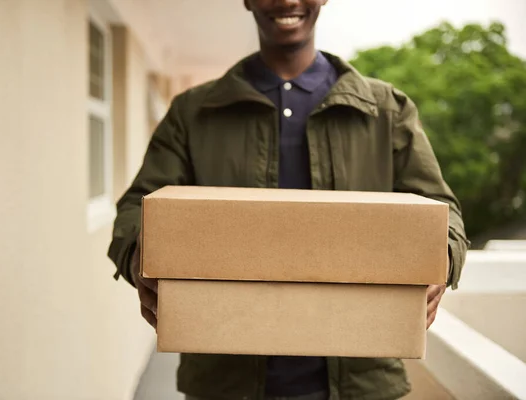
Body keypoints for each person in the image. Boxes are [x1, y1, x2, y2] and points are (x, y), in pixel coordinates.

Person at [108, 0, 469, 399]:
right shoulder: (194, 112)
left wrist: (441, 261)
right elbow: (136, 209)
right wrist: (142, 257)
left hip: (360, 383)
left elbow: (442, 212)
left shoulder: (387, 111)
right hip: (224, 381)